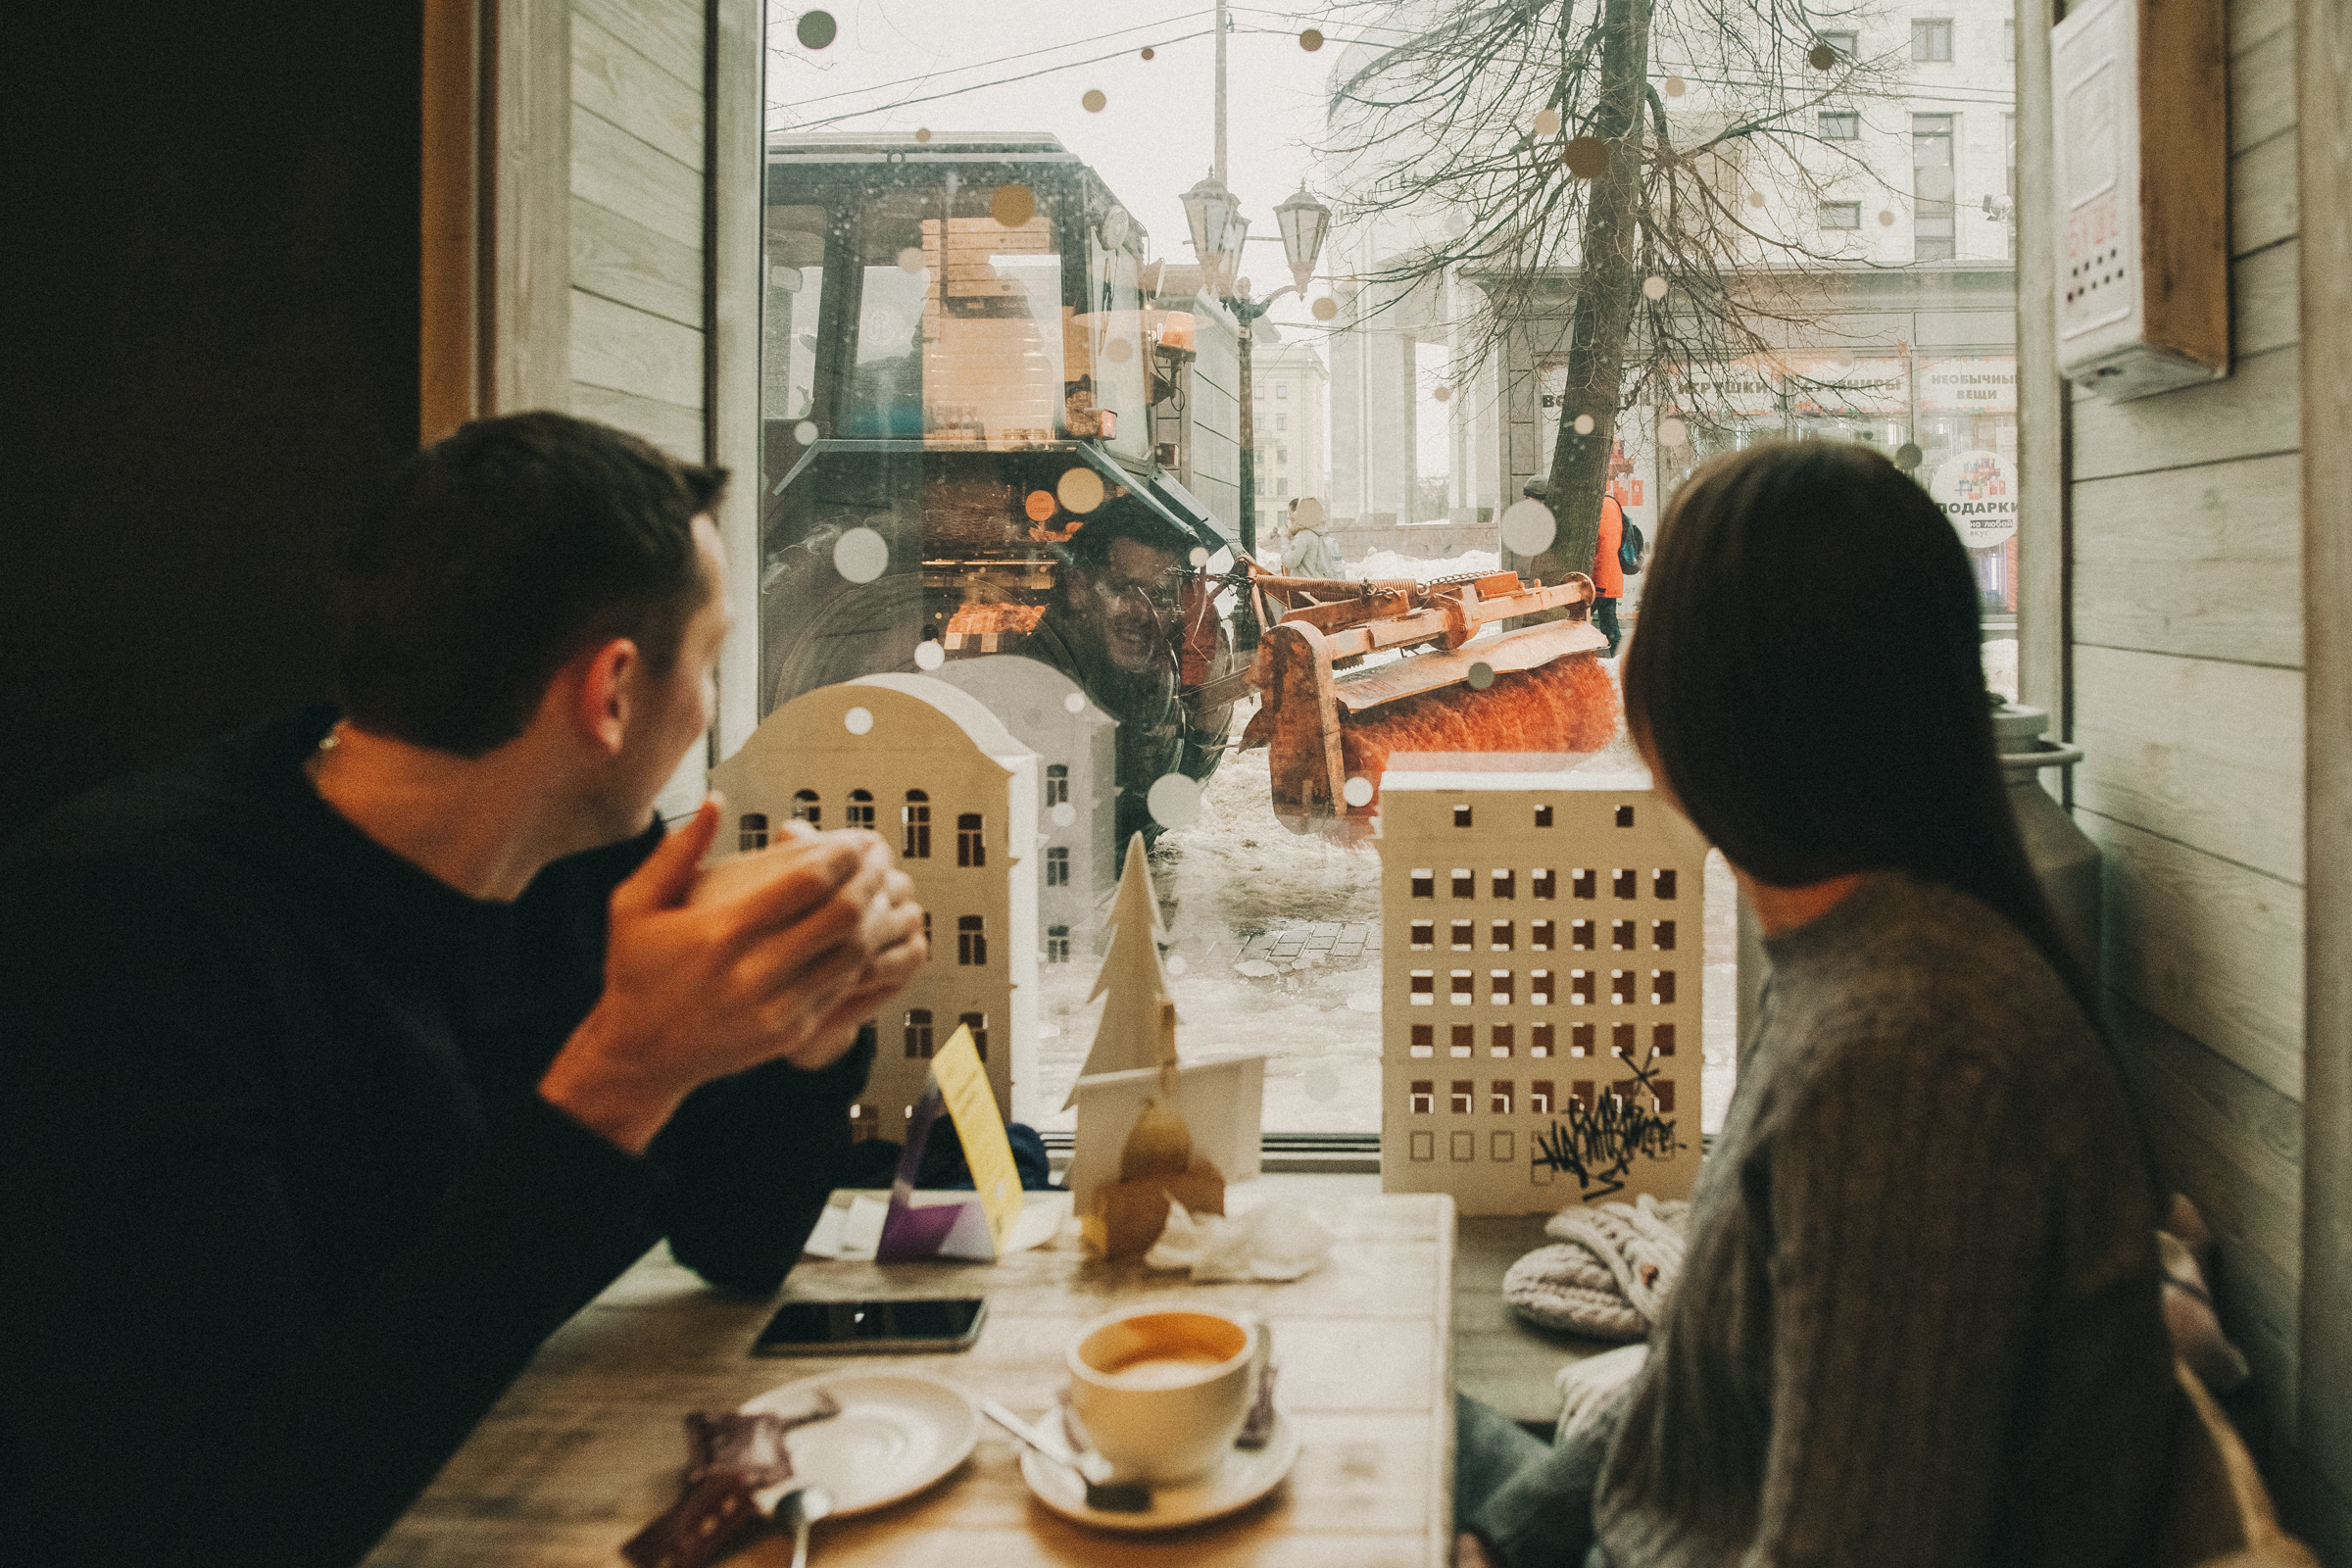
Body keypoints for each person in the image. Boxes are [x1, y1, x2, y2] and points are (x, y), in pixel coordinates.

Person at [0, 413, 928, 1568]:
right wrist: (622, 1079)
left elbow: (734, 1244)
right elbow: (208, 1520)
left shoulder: (589, 868)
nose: (709, 708)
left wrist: (806, 1034)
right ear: (613, 693)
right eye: (713, 656)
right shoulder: (126, 932)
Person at [1455, 441, 2174, 1568]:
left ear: (1717, 702)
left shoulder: (1908, 1064)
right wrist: (1500, 1540)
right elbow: (1699, 1392)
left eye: (1655, 634)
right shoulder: (1865, 956)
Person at [1021, 498, 1224, 850]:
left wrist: (1208, 713)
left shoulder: (1158, 677)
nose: (1141, 612)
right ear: (1078, 588)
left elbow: (1167, 800)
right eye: (1122, 589)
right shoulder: (1031, 684)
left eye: (1158, 596)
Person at [1591, 490, 1626, 656]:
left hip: (1600, 581)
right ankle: (1619, 665)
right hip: (1607, 578)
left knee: (1578, 626)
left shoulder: (1602, 507)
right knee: (1610, 627)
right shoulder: (1610, 504)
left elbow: (1604, 547)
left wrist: (1599, 585)